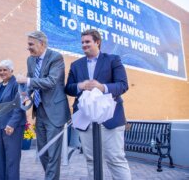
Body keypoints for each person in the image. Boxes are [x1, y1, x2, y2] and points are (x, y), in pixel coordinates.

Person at [65, 29, 131, 180]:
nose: (84, 45)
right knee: (91, 160)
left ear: (97, 42)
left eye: (87, 42)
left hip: (110, 117)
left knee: (115, 159)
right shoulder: (76, 65)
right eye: (82, 42)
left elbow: (123, 85)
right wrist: (79, 86)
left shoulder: (113, 60)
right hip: (85, 118)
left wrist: (102, 87)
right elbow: (68, 88)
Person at [16, 31, 71, 180]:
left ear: (42, 44)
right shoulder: (30, 60)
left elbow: (51, 81)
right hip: (39, 110)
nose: (28, 48)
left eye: (31, 44)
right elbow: (31, 83)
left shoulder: (56, 57)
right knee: (42, 150)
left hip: (55, 112)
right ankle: (51, 177)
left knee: (53, 152)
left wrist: (26, 81)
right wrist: (26, 94)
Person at [0, 59, 26, 180]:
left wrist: (12, 124)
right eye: (0, 70)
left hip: (12, 126)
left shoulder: (18, 84)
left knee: (12, 159)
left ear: (11, 71)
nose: (2, 72)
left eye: (5, 70)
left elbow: (20, 105)